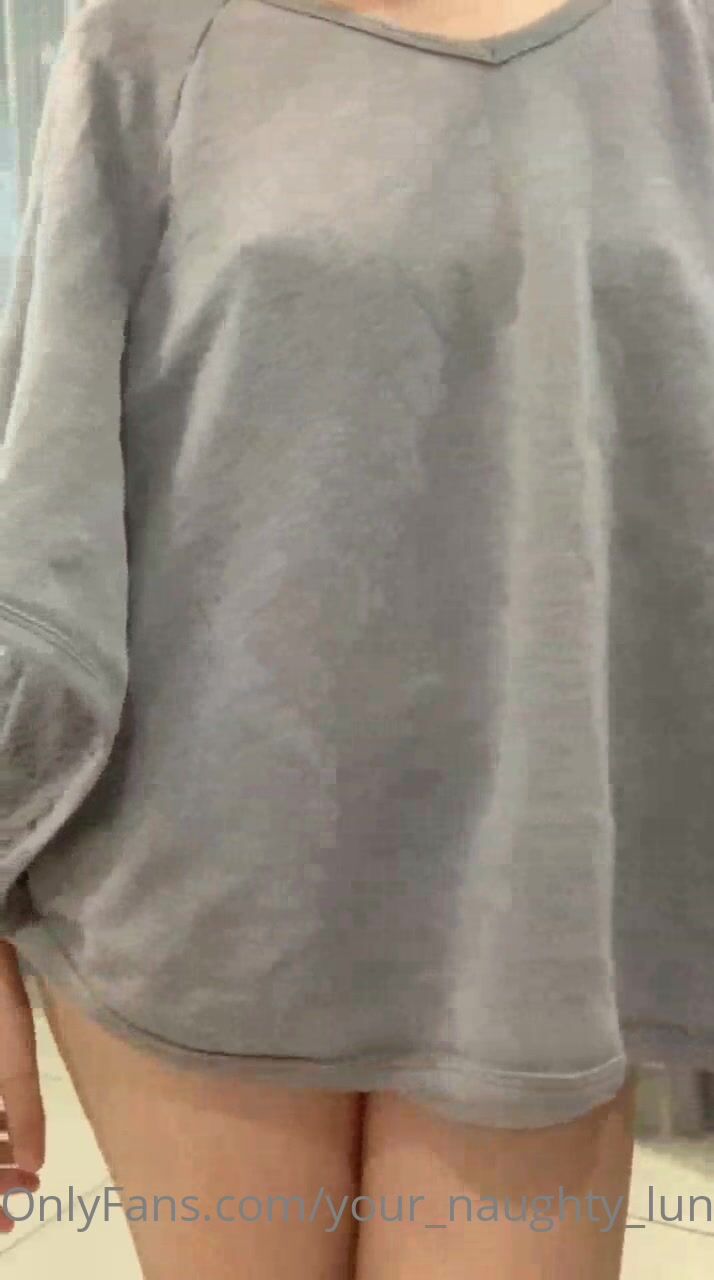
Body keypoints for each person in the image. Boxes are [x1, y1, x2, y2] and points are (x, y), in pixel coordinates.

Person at [1, 0, 712, 1274]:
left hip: (542, 890)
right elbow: (41, 511)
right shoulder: (153, 36)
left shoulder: (684, 49)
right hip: (208, 888)